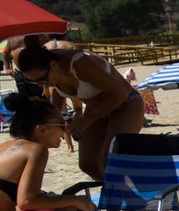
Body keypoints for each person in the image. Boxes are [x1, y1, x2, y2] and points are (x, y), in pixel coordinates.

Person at [0, 94, 136, 211]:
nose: (66, 130)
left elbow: (16, 203)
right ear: (41, 129)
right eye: (61, 124)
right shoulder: (35, 150)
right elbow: (27, 201)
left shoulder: (5, 149)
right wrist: (77, 201)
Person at [12, 36, 144, 181]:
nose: (39, 85)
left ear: (54, 66)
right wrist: (66, 126)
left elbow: (120, 94)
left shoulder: (79, 63)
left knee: (111, 159)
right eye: (34, 81)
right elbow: (55, 111)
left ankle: (123, 192)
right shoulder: (52, 75)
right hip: (97, 110)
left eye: (41, 80)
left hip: (126, 103)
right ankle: (112, 190)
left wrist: (86, 121)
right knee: (87, 164)